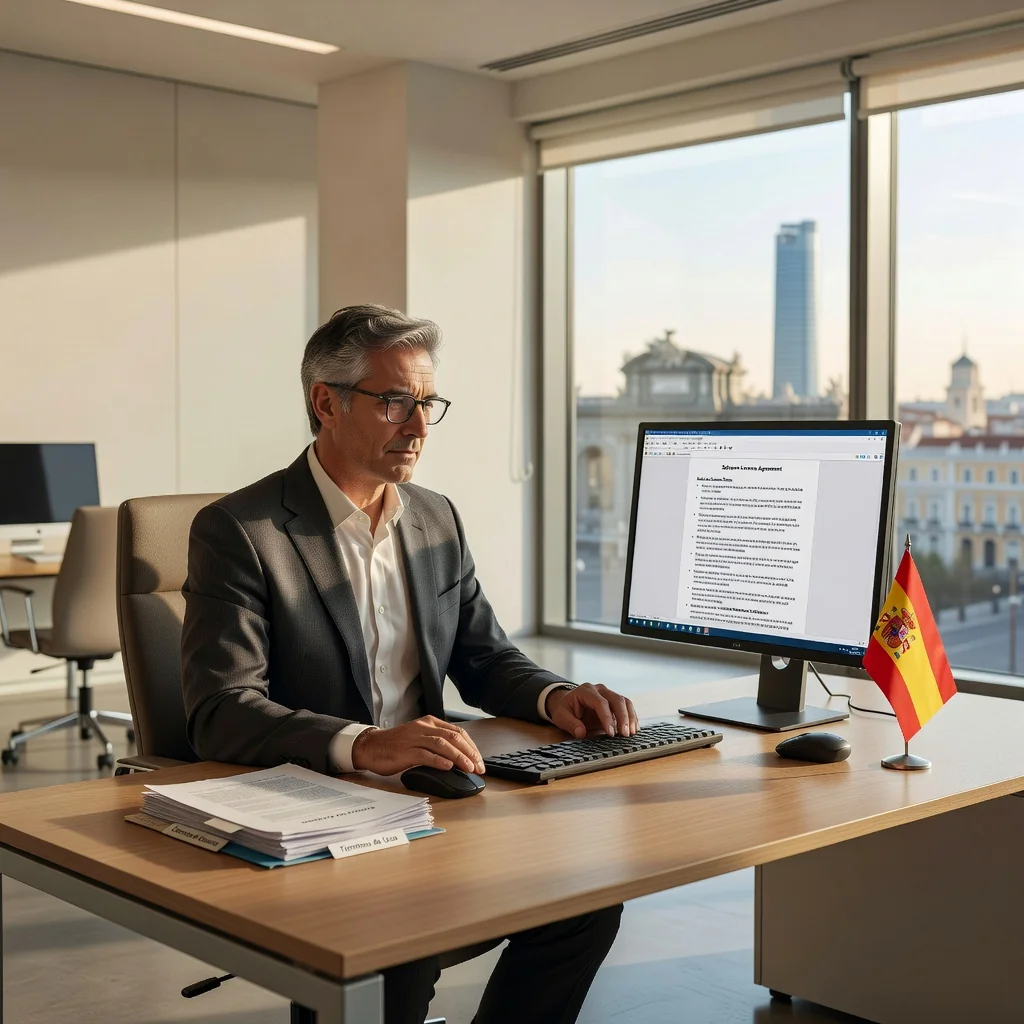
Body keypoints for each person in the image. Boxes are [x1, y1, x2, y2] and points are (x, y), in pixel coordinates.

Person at [181, 304, 637, 1024]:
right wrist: (364, 743)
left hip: (433, 802)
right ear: (325, 403)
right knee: (396, 949)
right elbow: (221, 710)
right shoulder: (242, 530)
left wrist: (557, 697)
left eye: (427, 403)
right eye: (395, 401)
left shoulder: (435, 518)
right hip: (319, 811)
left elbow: (484, 658)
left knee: (585, 903)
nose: (419, 427)